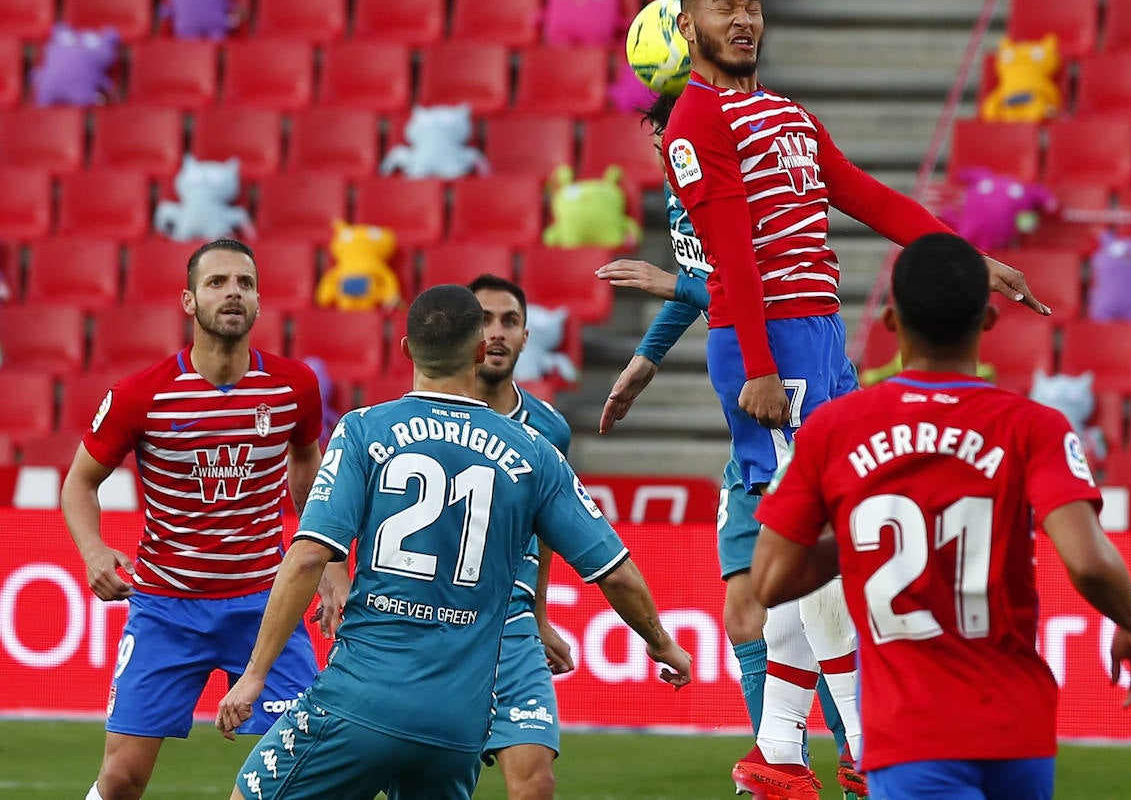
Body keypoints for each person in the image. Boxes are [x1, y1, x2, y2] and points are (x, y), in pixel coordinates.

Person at [659, 0, 1050, 795]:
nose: (743, 19)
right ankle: (869, 747)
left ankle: (779, 753)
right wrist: (759, 368)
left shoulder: (786, 115)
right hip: (770, 344)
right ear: (687, 25)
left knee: (823, 536)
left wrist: (966, 258)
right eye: (723, 6)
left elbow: (867, 197)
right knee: (822, 539)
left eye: (752, 5)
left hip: (819, 337)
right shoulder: (696, 122)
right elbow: (731, 253)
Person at [216, 283, 694, 800]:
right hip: (457, 724)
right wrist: (661, 643)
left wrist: (255, 674)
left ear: (405, 349)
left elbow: (309, 554)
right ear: (478, 351)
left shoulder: (363, 430)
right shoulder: (534, 452)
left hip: (360, 699)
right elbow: (616, 573)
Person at [752, 233, 1131, 800]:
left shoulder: (832, 431)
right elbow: (1089, 562)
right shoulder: (1036, 427)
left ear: (891, 321)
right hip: (1017, 728)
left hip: (909, 731)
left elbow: (771, 580)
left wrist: (861, 537)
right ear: (988, 320)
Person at [60, 238, 348, 800]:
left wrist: (330, 564)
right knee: (120, 779)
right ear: (189, 301)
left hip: (265, 604)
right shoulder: (140, 395)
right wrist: (93, 551)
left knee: (303, 767)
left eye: (244, 283)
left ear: (259, 301)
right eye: (217, 282)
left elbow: (308, 467)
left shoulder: (293, 386)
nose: (232, 292)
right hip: (166, 608)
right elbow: (79, 483)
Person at [597, 196, 863, 800]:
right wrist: (648, 355)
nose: (666, 156)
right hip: (752, 440)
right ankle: (782, 762)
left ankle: (858, 753)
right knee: (747, 613)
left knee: (816, 595)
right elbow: (704, 280)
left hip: (799, 407)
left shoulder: (747, 187)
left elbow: (757, 297)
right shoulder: (686, 189)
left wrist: (676, 287)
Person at [467, 273, 577, 800]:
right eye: (483, 320)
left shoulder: (550, 430)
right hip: (435, 623)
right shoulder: (419, 412)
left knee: (536, 780)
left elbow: (546, 527)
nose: (496, 332)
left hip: (510, 624)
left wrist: (540, 614)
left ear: (526, 336)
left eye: (509, 321)